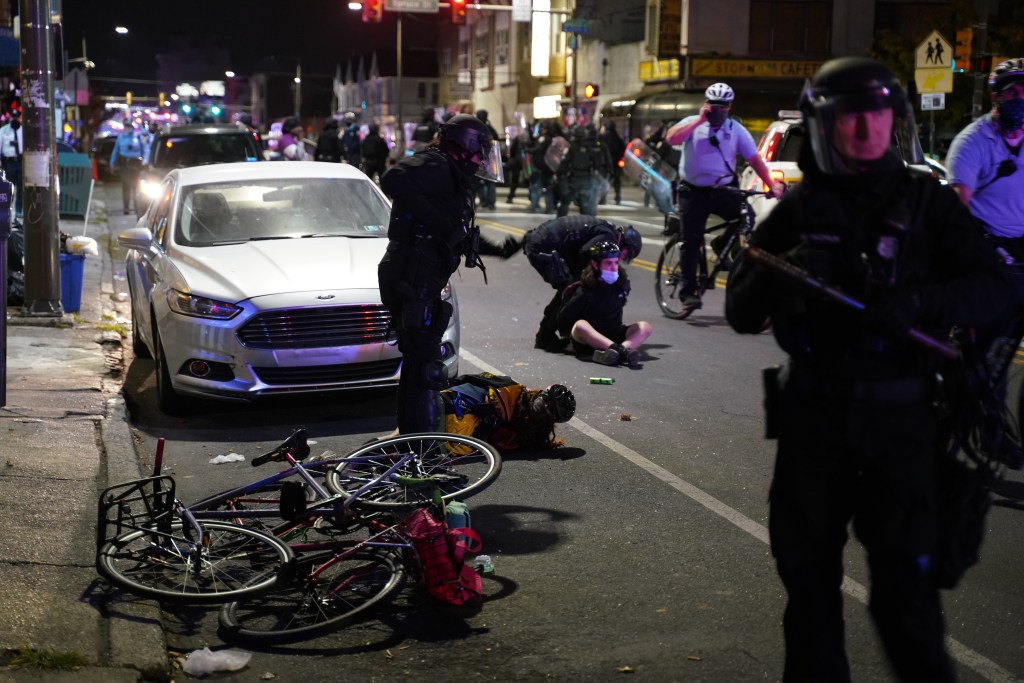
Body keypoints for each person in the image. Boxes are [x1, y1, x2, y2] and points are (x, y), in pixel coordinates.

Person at [724, 56, 1012, 682]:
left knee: (907, 602)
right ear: (826, 125)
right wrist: (789, 267)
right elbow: (741, 312)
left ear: (895, 120)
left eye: (877, 115)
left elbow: (996, 290)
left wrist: (920, 302)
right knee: (809, 592)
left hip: (901, 422)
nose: (865, 129)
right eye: (850, 117)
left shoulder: (927, 204)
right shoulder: (800, 209)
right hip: (814, 421)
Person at [377, 113, 504, 434]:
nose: (480, 159)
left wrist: (500, 248)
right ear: (466, 143)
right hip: (411, 278)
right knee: (426, 366)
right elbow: (392, 179)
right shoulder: (436, 165)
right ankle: (418, 443)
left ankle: (408, 435)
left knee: (420, 363)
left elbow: (455, 232)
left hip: (422, 279)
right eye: (479, 150)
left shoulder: (452, 174)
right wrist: (436, 218)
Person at [665, 82, 784, 312]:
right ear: (706, 104)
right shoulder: (693, 124)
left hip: (722, 190)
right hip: (693, 191)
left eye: (723, 105)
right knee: (691, 241)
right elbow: (672, 139)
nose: (718, 109)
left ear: (730, 106)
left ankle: (721, 245)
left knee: (746, 217)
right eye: (713, 104)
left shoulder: (736, 130)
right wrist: (699, 120)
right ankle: (687, 293)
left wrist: (771, 185)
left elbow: (755, 160)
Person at [522, 215, 642, 351]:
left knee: (570, 287)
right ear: (625, 244)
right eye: (625, 255)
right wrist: (583, 278)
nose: (621, 259)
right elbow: (585, 252)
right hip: (543, 246)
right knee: (570, 290)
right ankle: (545, 337)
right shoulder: (609, 237)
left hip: (546, 243)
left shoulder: (609, 232)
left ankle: (550, 334)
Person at [557, 240, 652, 368]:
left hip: (613, 334)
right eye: (608, 263)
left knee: (644, 327)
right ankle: (621, 352)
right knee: (580, 325)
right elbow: (564, 319)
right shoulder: (584, 289)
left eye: (615, 263)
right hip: (589, 340)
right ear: (596, 265)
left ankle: (618, 351)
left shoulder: (621, 284)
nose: (613, 268)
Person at [439, 373, 575, 451]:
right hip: (448, 403)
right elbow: (472, 378)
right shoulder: (511, 387)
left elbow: (492, 445)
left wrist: (489, 424)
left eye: (551, 410)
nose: (545, 407)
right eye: (547, 401)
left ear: (552, 420)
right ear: (541, 393)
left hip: (453, 442)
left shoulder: (526, 437)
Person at [555, 126, 601, 217]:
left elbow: (565, 163)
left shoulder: (571, 147)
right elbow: (597, 163)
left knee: (565, 202)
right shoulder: (590, 147)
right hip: (586, 178)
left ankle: (559, 223)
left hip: (573, 178)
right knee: (586, 204)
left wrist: (560, 174)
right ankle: (587, 224)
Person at [109, 119, 145, 214]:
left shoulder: (138, 137)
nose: (128, 128)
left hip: (136, 164)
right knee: (126, 187)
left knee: (136, 187)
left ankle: (137, 208)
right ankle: (126, 208)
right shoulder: (121, 137)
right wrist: (112, 164)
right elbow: (115, 152)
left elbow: (143, 150)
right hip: (125, 164)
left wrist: (144, 164)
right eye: (126, 126)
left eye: (129, 126)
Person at [474, 110, 501, 210]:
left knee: (477, 181)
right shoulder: (491, 129)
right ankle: (490, 203)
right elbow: (496, 143)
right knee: (490, 182)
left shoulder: (475, 129)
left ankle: (482, 201)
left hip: (477, 158)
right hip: (491, 159)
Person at [0, 111, 24, 217]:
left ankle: (18, 211)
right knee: (9, 189)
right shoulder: (4, 131)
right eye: (13, 118)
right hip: (9, 163)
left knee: (21, 189)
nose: (15, 120)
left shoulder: (24, 131)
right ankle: (8, 210)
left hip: (21, 162)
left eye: (17, 118)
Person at [599, 120, 626, 205]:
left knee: (605, 180)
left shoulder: (603, 138)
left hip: (606, 163)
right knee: (617, 180)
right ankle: (617, 196)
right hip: (617, 162)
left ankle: (603, 198)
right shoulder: (618, 138)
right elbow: (624, 150)